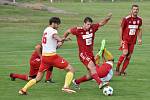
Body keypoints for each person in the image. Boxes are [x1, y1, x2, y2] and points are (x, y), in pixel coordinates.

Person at [18, 17, 76, 95]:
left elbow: (52, 44)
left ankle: (23, 90)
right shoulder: (53, 31)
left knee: (38, 78)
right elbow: (56, 37)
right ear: (54, 23)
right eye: (58, 24)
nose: (58, 26)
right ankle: (65, 87)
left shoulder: (46, 30)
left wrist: (59, 43)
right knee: (71, 69)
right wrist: (63, 39)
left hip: (45, 58)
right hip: (52, 57)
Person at [63, 13, 112, 89]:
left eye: (90, 24)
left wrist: (107, 18)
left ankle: (76, 82)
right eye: (88, 24)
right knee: (92, 67)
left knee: (91, 75)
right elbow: (68, 31)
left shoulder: (93, 28)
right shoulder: (78, 30)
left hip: (90, 54)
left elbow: (101, 23)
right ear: (84, 23)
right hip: (83, 54)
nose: (89, 26)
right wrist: (63, 39)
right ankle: (100, 83)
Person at [115, 4, 142, 76]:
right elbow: (121, 28)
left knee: (129, 56)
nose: (135, 11)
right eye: (134, 9)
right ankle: (117, 68)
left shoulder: (139, 20)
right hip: (125, 40)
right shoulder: (126, 19)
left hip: (133, 41)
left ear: (138, 10)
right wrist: (121, 40)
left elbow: (139, 29)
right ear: (131, 10)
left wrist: (139, 38)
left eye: (137, 9)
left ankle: (122, 71)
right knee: (125, 53)